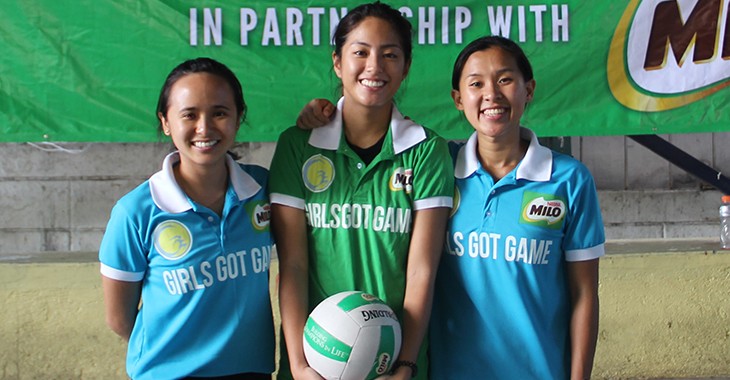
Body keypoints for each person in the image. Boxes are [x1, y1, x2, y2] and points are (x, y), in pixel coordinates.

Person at [298, 36, 604, 379]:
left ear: (528, 89)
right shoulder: (437, 166)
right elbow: (378, 127)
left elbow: (584, 296)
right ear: (458, 99)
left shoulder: (568, 180)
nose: (492, 94)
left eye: (505, 79)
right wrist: (326, 112)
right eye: (476, 84)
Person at [267, 2, 454, 379]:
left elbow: (421, 271)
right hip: (315, 362)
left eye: (390, 55)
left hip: (394, 362)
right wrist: (300, 366)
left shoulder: (427, 150)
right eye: (360, 52)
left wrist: (406, 364)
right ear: (337, 62)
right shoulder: (298, 146)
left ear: (406, 67)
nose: (374, 67)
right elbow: (294, 265)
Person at [99, 57, 275, 380]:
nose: (204, 128)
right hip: (168, 373)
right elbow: (120, 319)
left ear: (239, 118)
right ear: (166, 122)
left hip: (252, 370)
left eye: (220, 113)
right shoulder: (135, 213)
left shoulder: (263, 189)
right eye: (189, 115)